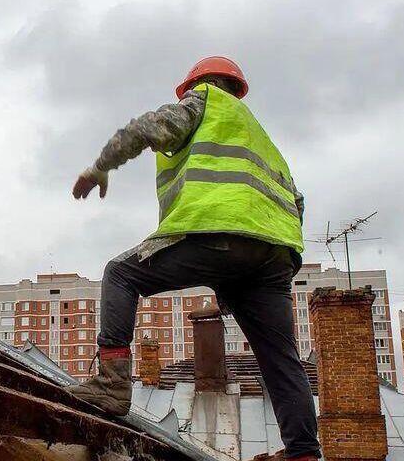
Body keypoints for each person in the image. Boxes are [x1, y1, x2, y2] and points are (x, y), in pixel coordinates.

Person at [68, 55, 320, 460]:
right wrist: (271, 269)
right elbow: (298, 202)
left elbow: (148, 127)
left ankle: (112, 385)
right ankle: (304, 452)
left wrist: (101, 166)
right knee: (281, 358)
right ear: (239, 90)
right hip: (275, 255)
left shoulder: (204, 102)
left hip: (219, 233)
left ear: (196, 86)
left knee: (120, 274)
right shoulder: (262, 137)